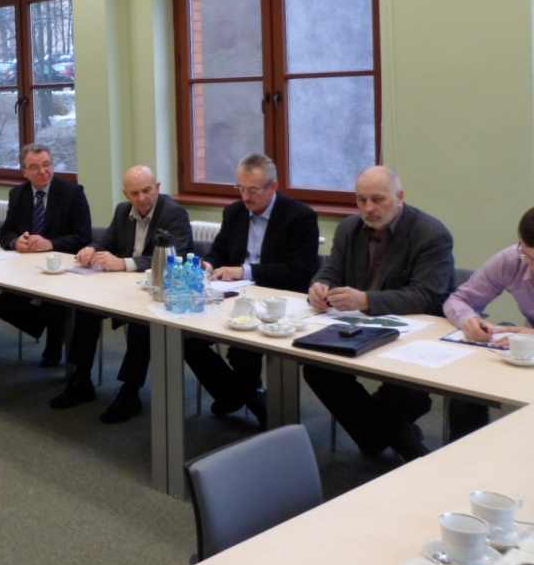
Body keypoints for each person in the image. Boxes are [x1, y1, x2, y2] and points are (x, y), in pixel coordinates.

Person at [305, 166, 454, 461]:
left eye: (378, 199)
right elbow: (330, 270)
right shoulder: (349, 228)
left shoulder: (431, 234)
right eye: (361, 200)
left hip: (413, 333)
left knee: (404, 390)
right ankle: (389, 438)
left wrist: (366, 300)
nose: (368, 208)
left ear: (400, 197)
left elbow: (426, 295)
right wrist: (318, 287)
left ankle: (401, 446)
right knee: (317, 368)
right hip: (357, 326)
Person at [186, 153, 318, 428]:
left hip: (279, 301)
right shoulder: (234, 212)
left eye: (253, 190)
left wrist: (245, 271)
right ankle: (240, 395)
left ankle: (249, 401)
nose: (246, 197)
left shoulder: (299, 217)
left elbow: (299, 272)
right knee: (187, 337)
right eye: (241, 189)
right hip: (235, 296)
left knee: (243, 349)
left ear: (273, 187)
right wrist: (208, 265)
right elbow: (219, 250)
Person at [51, 166, 193, 421]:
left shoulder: (173, 213)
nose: (141, 198)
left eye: (147, 191)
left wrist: (124, 263)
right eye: (134, 193)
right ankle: (81, 380)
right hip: (122, 288)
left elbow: (175, 257)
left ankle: (130, 392)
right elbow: (105, 242)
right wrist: (91, 249)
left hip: (156, 290)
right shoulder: (121, 210)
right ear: (126, 194)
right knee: (86, 309)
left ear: (158, 188)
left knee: (141, 323)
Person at [441, 206, 534, 438]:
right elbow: (459, 300)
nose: (532, 268)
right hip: (527, 358)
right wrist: (469, 319)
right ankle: (464, 455)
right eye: (529, 257)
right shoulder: (513, 259)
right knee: (466, 391)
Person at [0, 143, 92, 366]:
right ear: (24, 172)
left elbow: (84, 237)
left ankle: (54, 342)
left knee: (56, 304)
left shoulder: (72, 193)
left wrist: (50, 243)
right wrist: (15, 241)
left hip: (62, 271)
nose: (43, 171)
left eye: (47, 165)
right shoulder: (17, 194)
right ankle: (53, 327)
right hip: (26, 270)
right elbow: (5, 232)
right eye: (35, 167)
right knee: (2, 306)